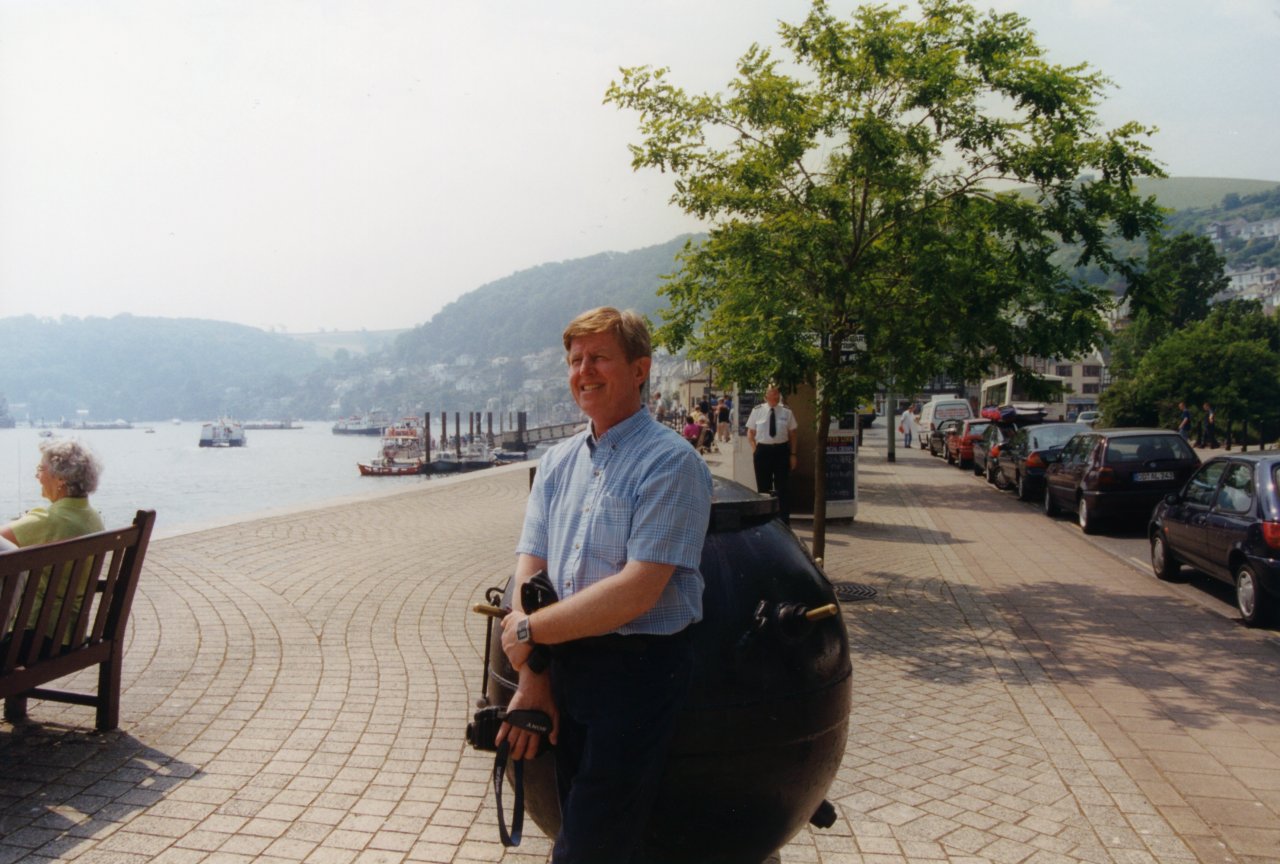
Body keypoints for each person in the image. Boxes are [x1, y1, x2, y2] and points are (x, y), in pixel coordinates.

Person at [496, 306, 713, 864]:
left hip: (637, 671)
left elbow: (638, 590)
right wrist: (534, 672)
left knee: (591, 843)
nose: (583, 371)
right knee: (578, 816)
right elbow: (530, 568)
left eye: (599, 358)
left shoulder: (672, 463)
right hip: (566, 665)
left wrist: (527, 630)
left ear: (640, 369)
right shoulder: (557, 462)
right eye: (575, 360)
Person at [1, 438, 105, 645]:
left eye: (41, 469)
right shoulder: (93, 517)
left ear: (60, 479)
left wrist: (26, 520)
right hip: (71, 634)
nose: (37, 476)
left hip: (35, 638)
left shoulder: (49, 521)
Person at [746, 385, 799, 523]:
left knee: (783, 487)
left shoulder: (786, 412)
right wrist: (755, 449)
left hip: (781, 451)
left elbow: (793, 434)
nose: (775, 397)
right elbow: (750, 433)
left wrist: (793, 454)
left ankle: (784, 520)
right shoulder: (757, 411)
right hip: (763, 451)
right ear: (765, 397)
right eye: (772, 395)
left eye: (777, 394)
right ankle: (766, 520)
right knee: (764, 488)